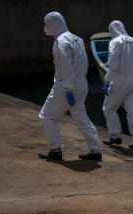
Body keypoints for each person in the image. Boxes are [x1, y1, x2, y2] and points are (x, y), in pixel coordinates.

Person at [38, 11, 101, 161]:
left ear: (54, 24)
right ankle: (95, 149)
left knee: (46, 116)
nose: (46, 27)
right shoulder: (76, 39)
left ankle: (55, 149)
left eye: (47, 24)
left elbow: (66, 66)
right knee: (80, 116)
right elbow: (83, 61)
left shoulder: (61, 42)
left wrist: (67, 88)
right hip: (81, 83)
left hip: (67, 85)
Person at [102, 20, 133, 151]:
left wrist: (107, 80)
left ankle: (115, 136)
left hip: (120, 79)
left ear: (112, 30)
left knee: (109, 108)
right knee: (132, 111)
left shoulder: (115, 42)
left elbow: (113, 65)